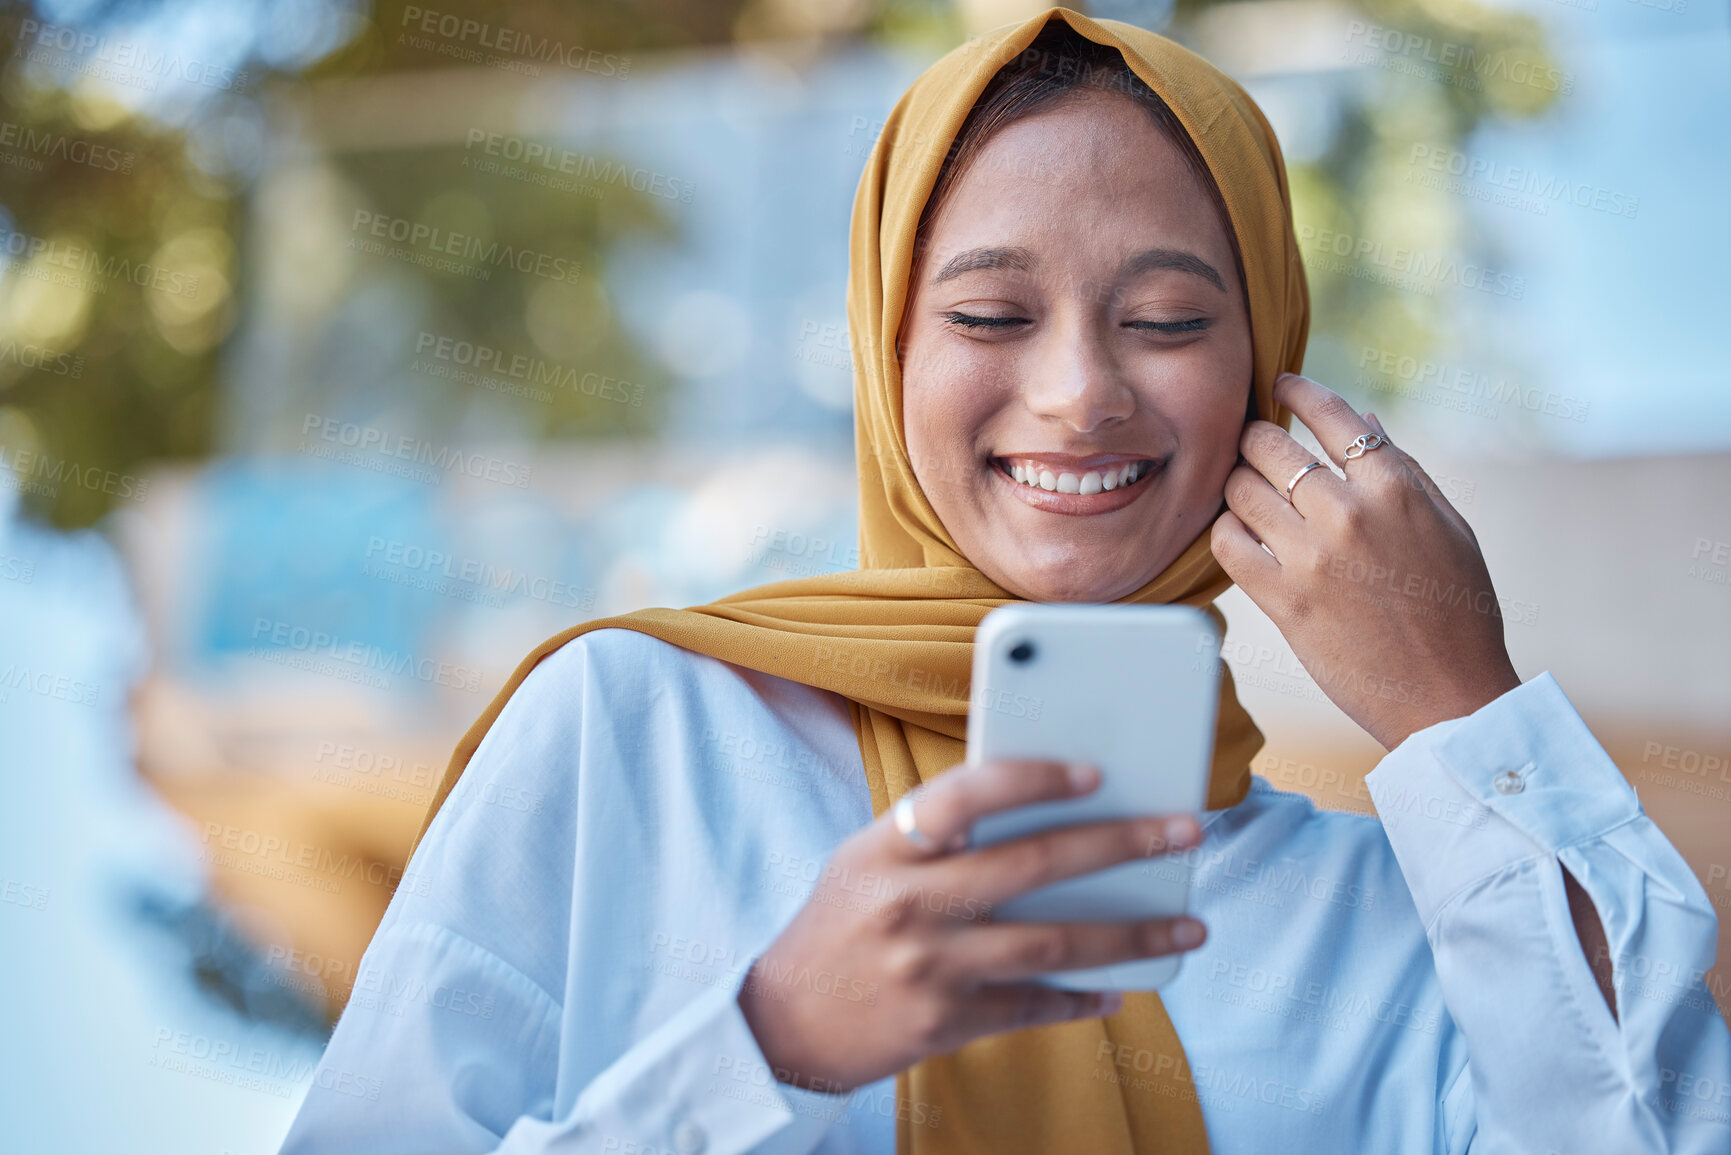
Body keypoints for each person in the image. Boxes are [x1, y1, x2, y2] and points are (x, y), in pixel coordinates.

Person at [278, 9, 1731, 1154]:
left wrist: (1462, 715)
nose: (1080, 392)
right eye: (988, 312)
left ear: (1269, 368)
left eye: (1166, 318)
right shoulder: (635, 734)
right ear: (884, 351)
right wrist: (769, 1046)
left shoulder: (1405, 917)